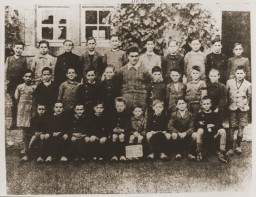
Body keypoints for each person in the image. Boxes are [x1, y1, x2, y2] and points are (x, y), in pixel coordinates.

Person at [116, 46, 151, 112]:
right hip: (126, 98)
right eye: (132, 56)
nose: (134, 58)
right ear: (128, 56)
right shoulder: (122, 70)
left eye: (136, 56)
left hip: (141, 98)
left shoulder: (145, 70)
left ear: (138, 57)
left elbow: (148, 85)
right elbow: (118, 86)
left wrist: (145, 96)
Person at [226, 66, 251, 155]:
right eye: (238, 73)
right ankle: (230, 148)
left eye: (241, 73)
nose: (239, 75)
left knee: (241, 127)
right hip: (232, 107)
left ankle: (238, 146)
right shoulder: (229, 82)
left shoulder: (248, 84)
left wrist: (245, 104)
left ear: (245, 74)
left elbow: (249, 96)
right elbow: (227, 94)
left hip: (243, 108)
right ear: (235, 74)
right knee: (232, 127)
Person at [194, 96, 228, 163]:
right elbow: (196, 124)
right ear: (201, 105)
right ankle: (199, 152)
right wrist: (206, 126)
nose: (206, 106)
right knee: (200, 130)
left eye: (207, 104)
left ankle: (222, 152)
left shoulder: (215, 114)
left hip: (214, 135)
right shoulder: (200, 115)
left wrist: (213, 125)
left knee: (222, 131)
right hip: (204, 136)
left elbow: (219, 124)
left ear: (211, 104)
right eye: (204, 104)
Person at [5, 41, 28, 129]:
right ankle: (13, 123)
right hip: (12, 84)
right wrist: (5, 81)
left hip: (21, 84)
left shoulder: (24, 59)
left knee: (21, 103)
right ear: (14, 48)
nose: (18, 50)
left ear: (23, 50)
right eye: (17, 48)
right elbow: (5, 71)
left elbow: (26, 72)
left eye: (20, 48)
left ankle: (21, 123)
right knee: (13, 104)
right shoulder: (9, 59)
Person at [15, 69, 36, 154]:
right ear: (23, 77)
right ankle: (25, 147)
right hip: (22, 109)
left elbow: (35, 99)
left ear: (32, 78)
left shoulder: (34, 87)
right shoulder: (19, 87)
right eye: (26, 76)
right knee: (24, 130)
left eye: (30, 77)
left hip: (31, 109)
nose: (28, 78)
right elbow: (17, 98)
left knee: (32, 129)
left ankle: (32, 147)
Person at [110, 97, 131, 162]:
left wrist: (122, 130)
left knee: (121, 136)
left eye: (121, 105)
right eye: (118, 106)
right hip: (114, 132)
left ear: (124, 106)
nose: (119, 107)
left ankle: (122, 155)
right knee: (114, 136)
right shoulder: (112, 115)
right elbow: (110, 124)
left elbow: (128, 125)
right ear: (115, 106)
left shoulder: (127, 115)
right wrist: (113, 129)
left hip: (124, 132)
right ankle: (114, 155)